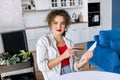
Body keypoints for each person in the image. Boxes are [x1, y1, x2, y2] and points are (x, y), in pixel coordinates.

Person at [36, 9, 93, 80]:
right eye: (55, 23)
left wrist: (85, 60)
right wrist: (63, 56)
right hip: (55, 77)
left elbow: (75, 66)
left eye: (62, 23)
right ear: (50, 24)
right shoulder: (43, 41)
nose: (59, 27)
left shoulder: (70, 42)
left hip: (71, 74)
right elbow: (42, 67)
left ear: (66, 25)